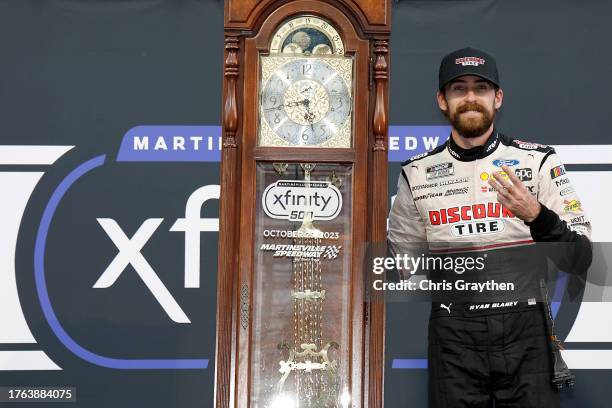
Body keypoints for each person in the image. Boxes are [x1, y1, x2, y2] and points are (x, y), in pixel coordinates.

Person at [387, 47, 593, 407]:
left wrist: (536, 214)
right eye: (458, 88)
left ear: (497, 98)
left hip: (525, 328)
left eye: (480, 88)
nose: (470, 98)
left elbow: (580, 258)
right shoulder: (416, 172)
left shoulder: (538, 160)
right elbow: (395, 268)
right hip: (453, 333)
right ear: (442, 100)